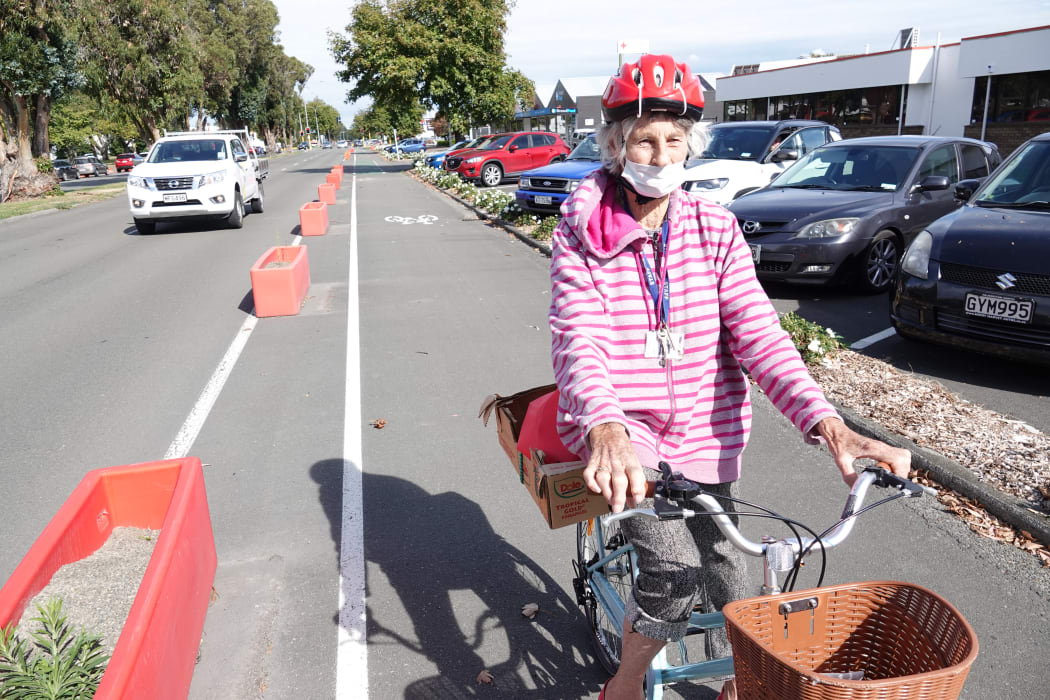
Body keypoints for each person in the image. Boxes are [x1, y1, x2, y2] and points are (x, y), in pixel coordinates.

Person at [547, 55, 911, 700]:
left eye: (673, 141)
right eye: (642, 140)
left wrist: (831, 427)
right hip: (629, 436)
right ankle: (625, 684)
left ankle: (733, 683)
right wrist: (605, 428)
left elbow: (760, 334)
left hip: (709, 433)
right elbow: (580, 337)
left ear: (691, 144)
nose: (659, 156)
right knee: (675, 571)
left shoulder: (715, 227)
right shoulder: (581, 232)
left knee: (729, 571)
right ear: (614, 147)